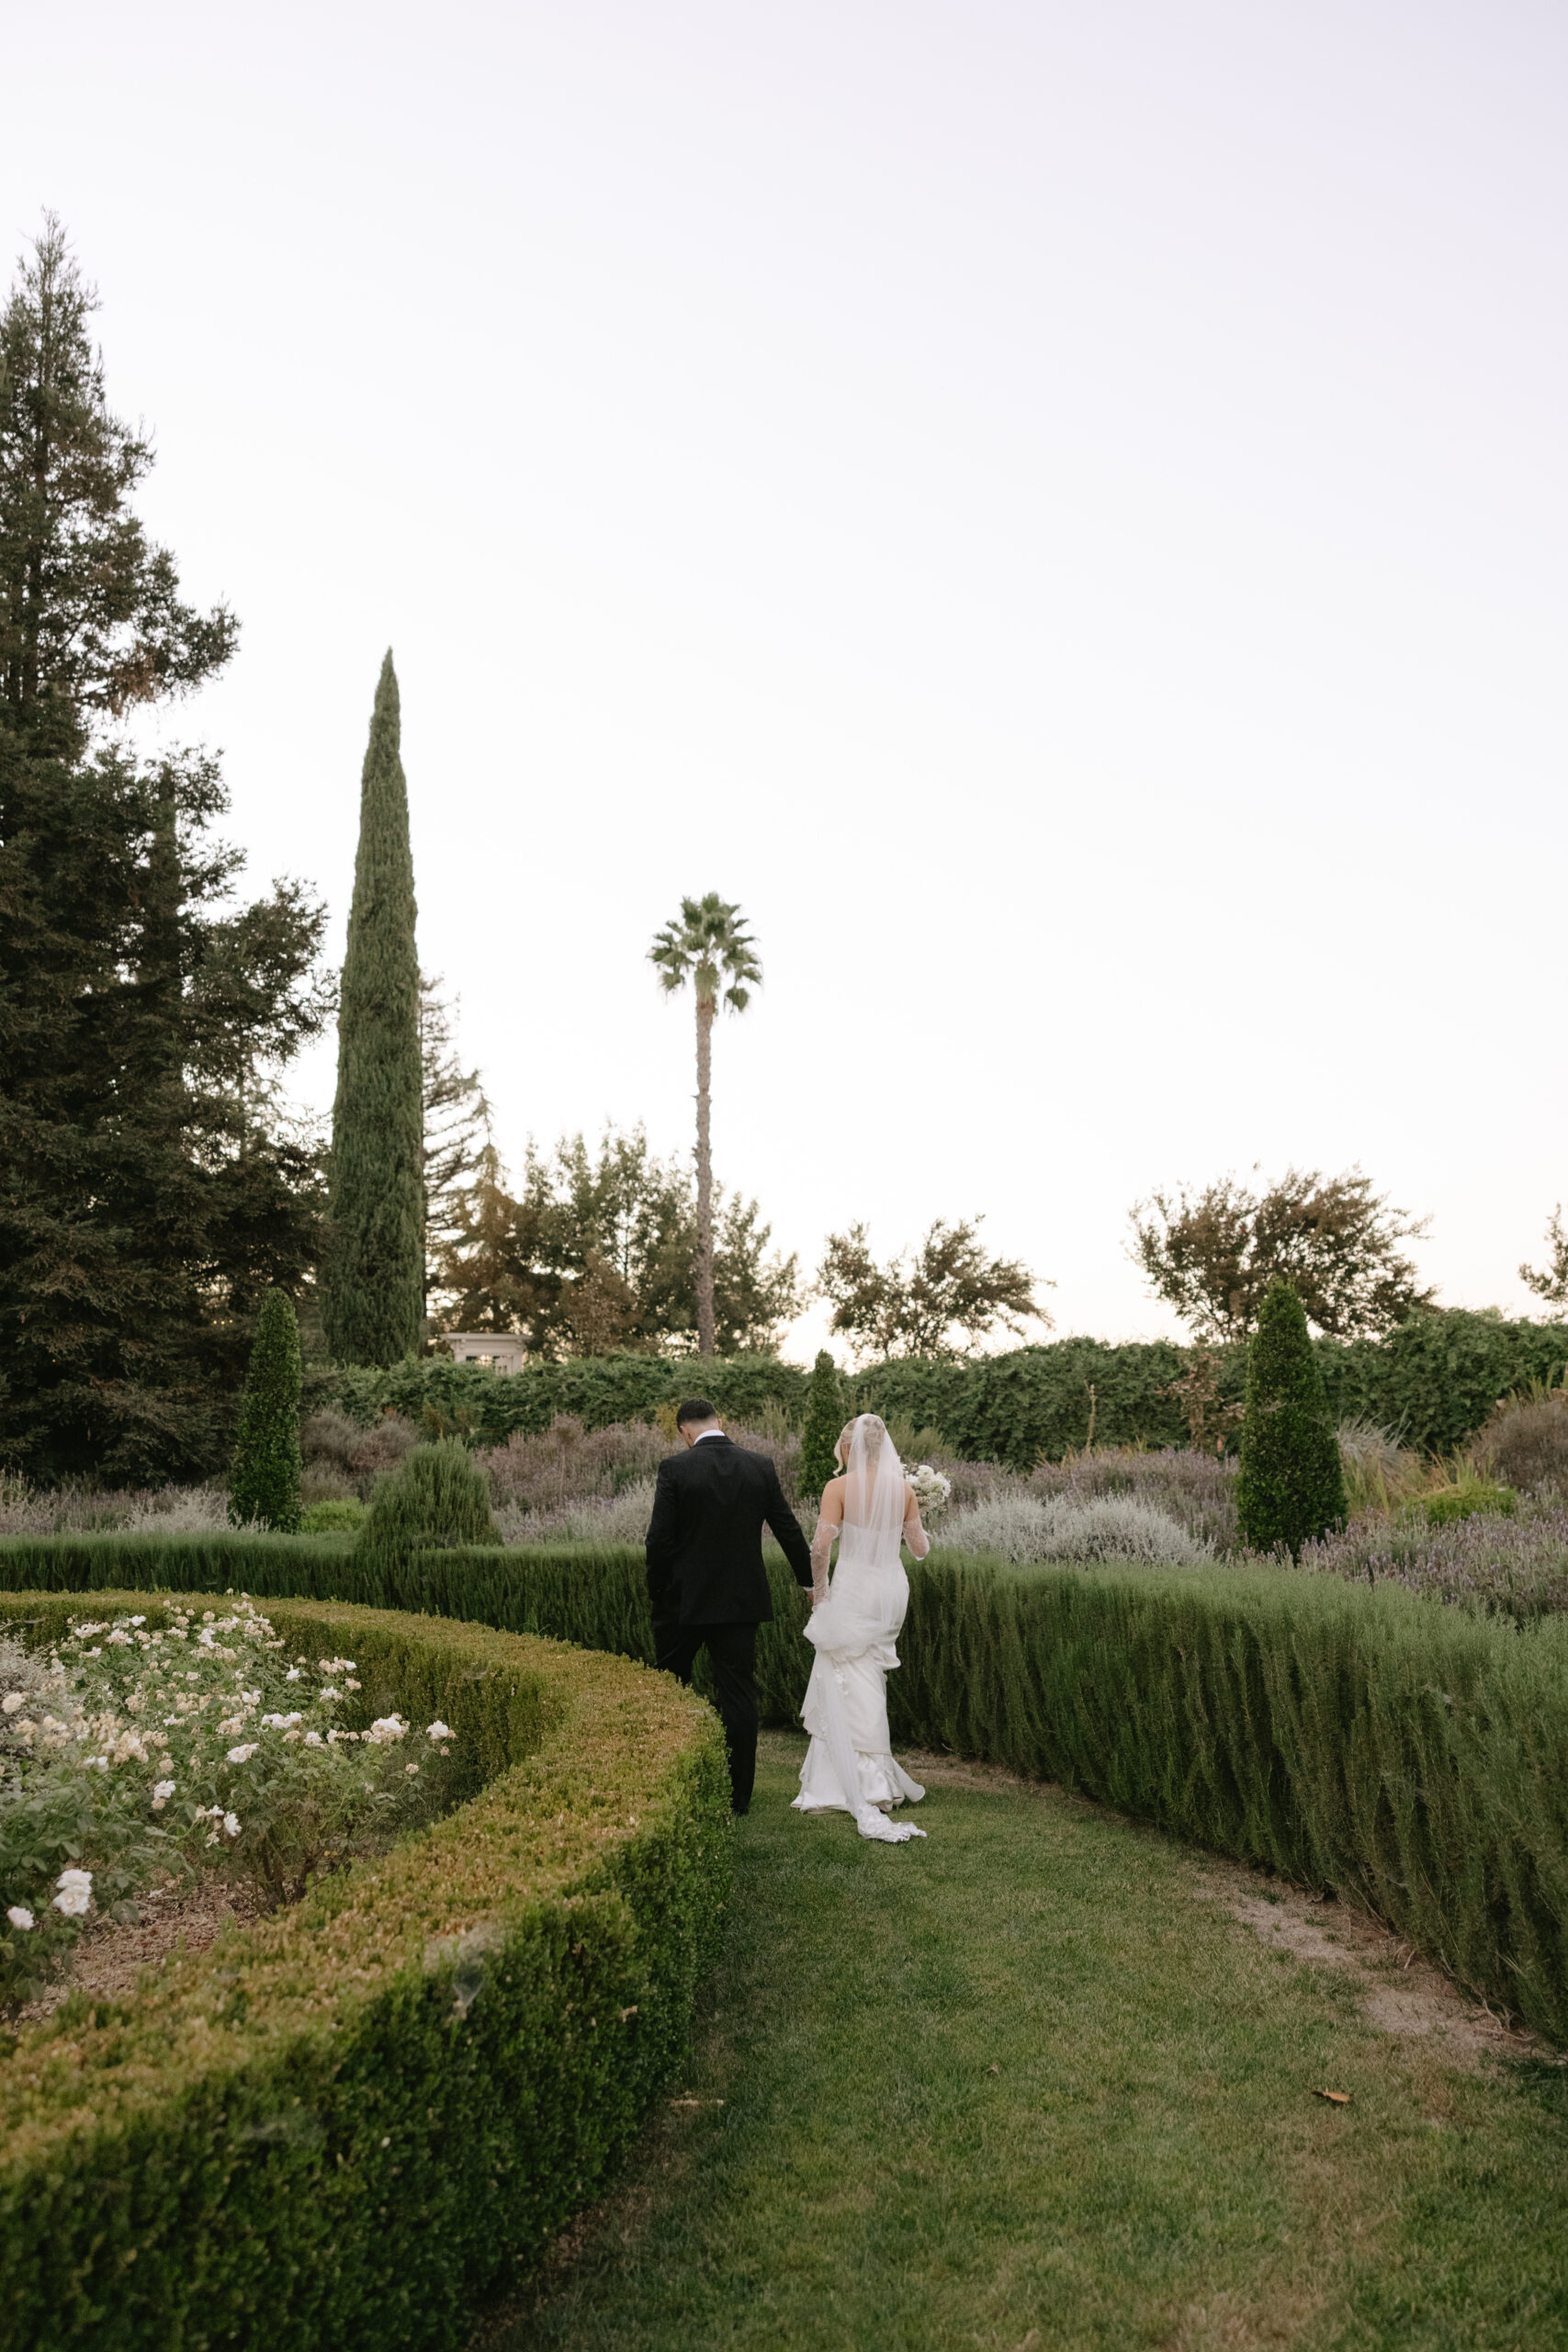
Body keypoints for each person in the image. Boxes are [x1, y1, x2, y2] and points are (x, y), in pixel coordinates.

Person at [645, 1397, 813, 1813]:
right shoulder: (760, 1466)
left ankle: (669, 1783)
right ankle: (739, 1799)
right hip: (740, 1603)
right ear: (720, 1421)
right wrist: (809, 1582)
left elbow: (658, 1542)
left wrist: (658, 1593)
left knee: (669, 1689)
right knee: (739, 1696)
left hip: (683, 1604)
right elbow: (789, 1530)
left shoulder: (676, 1469)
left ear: (685, 1431)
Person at [793, 1413, 930, 1844]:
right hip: (890, 1591)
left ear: (849, 1448)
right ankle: (875, 1778)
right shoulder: (904, 1490)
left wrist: (821, 1593)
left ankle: (851, 1782)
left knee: (846, 1674)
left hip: (853, 1587)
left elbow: (819, 1548)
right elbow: (920, 1549)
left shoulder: (838, 1488)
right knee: (868, 1674)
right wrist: (918, 1512)